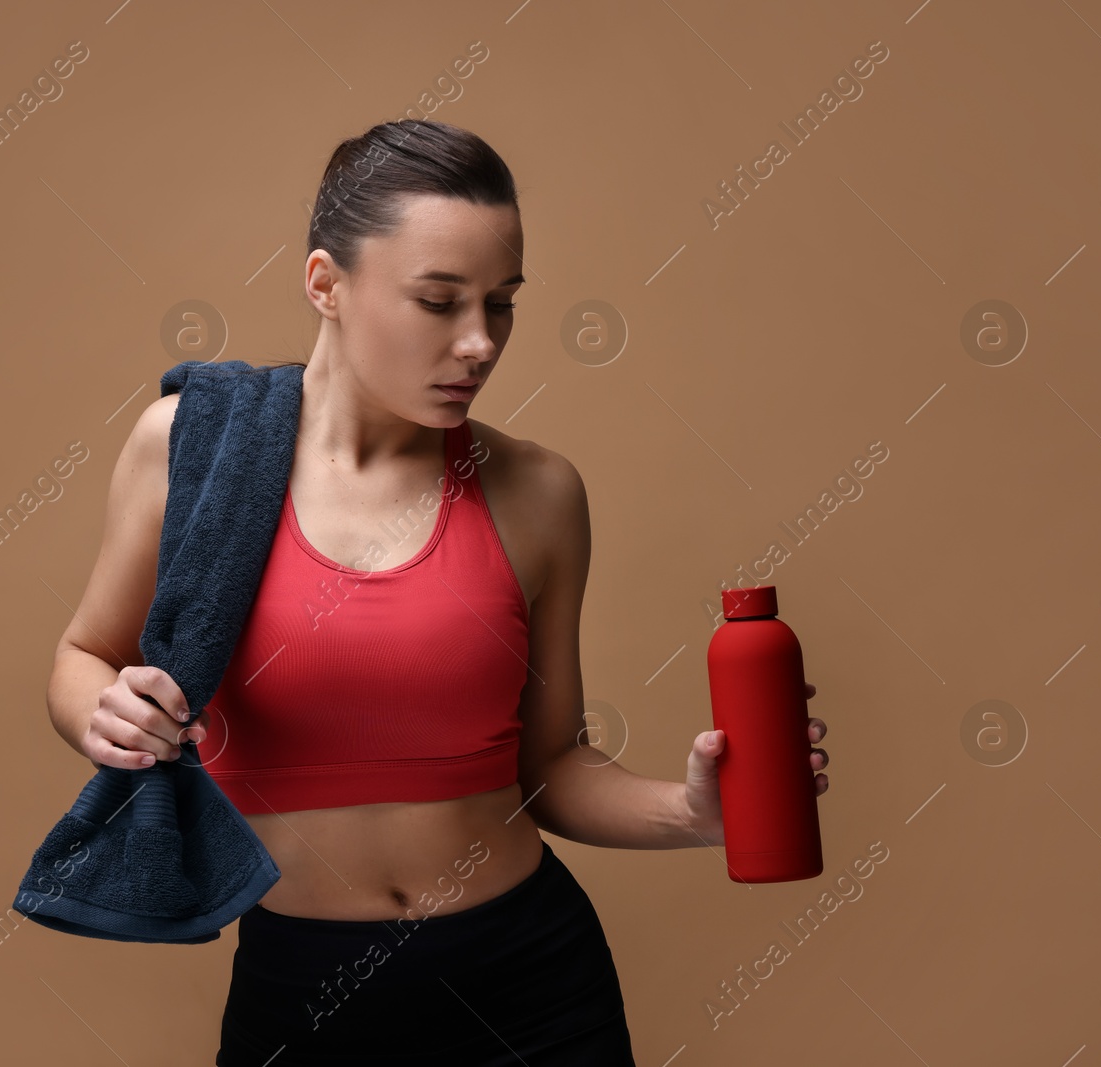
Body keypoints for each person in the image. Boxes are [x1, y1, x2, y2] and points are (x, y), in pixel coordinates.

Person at [45, 118, 831, 1065]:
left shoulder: (539, 493)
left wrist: (697, 814)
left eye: (502, 304)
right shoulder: (188, 454)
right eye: (438, 300)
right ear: (326, 284)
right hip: (302, 992)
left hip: (533, 986)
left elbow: (550, 766)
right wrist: (107, 712)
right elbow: (84, 657)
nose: (478, 342)